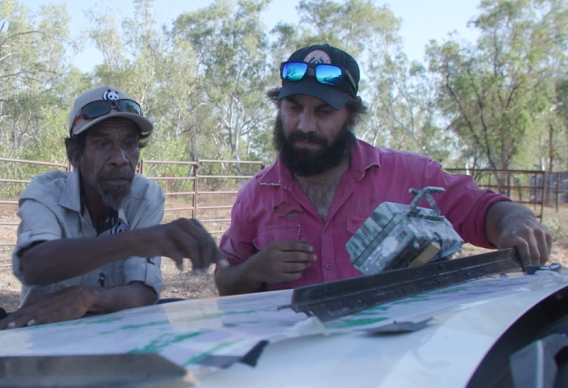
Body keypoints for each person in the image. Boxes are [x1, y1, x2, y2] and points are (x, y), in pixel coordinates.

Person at [214, 44, 551, 296]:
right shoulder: (255, 195)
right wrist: (255, 269)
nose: (305, 125)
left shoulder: (411, 175)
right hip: (295, 367)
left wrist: (515, 221)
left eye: (323, 112)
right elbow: (225, 282)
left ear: (351, 116)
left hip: (396, 362)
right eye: (294, 108)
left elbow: (481, 210)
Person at [0, 86, 227, 330]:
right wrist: (134, 241)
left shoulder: (146, 197)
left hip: (121, 338)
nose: (120, 158)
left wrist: (89, 297)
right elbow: (34, 266)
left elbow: (144, 292)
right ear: (74, 153)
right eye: (103, 143)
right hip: (48, 339)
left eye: (129, 143)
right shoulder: (45, 192)